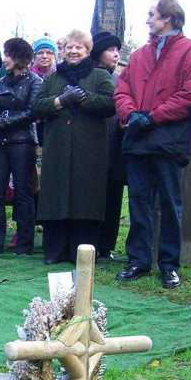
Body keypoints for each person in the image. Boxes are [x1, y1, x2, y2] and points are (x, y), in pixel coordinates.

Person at [114, 0, 191, 289]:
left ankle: (169, 265)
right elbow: (122, 90)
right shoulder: (139, 55)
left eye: (152, 14)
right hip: (138, 140)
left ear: (168, 18)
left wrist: (154, 116)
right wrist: (131, 114)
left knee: (170, 203)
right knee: (138, 201)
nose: (147, 20)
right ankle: (138, 260)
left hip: (169, 140)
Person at [33, 29, 116, 264]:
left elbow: (111, 104)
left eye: (78, 47)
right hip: (57, 148)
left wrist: (83, 98)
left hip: (89, 150)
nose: (73, 50)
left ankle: (81, 253)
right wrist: (59, 101)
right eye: (69, 46)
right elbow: (37, 105)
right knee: (56, 198)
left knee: (85, 200)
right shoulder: (53, 78)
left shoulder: (100, 76)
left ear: (87, 50)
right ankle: (55, 251)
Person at [0, 37, 42, 256]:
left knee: (23, 192)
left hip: (22, 143)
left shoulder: (35, 81)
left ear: (18, 57)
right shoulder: (2, 81)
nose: (4, 59)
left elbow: (33, 111)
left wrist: (4, 122)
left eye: (8, 54)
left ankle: (24, 244)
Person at [90, 30, 126, 259]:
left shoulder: (120, 79)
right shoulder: (90, 76)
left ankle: (106, 245)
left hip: (115, 147)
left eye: (117, 50)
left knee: (113, 196)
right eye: (110, 50)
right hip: (93, 146)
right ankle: (90, 243)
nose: (115, 54)